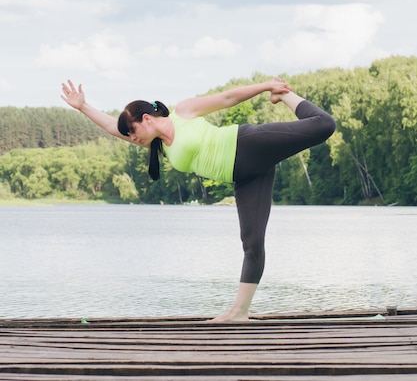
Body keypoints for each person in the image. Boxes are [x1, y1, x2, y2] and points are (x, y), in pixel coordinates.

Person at [61, 77, 335, 323]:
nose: (133, 139)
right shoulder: (159, 144)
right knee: (252, 243)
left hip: (248, 143)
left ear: (146, 118)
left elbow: (227, 98)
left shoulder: (183, 112)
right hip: (246, 176)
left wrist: (267, 87)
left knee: (324, 125)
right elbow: (113, 128)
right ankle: (239, 313)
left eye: (133, 131)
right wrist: (83, 106)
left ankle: (286, 96)